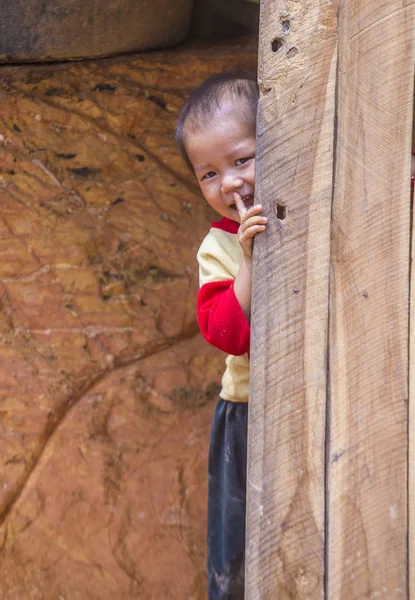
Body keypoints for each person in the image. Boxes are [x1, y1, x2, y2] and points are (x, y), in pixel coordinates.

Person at [176, 72, 267, 599]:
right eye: (208, 173)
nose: (228, 183)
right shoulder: (219, 248)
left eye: (241, 160)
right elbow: (226, 332)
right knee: (241, 552)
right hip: (249, 414)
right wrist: (250, 265)